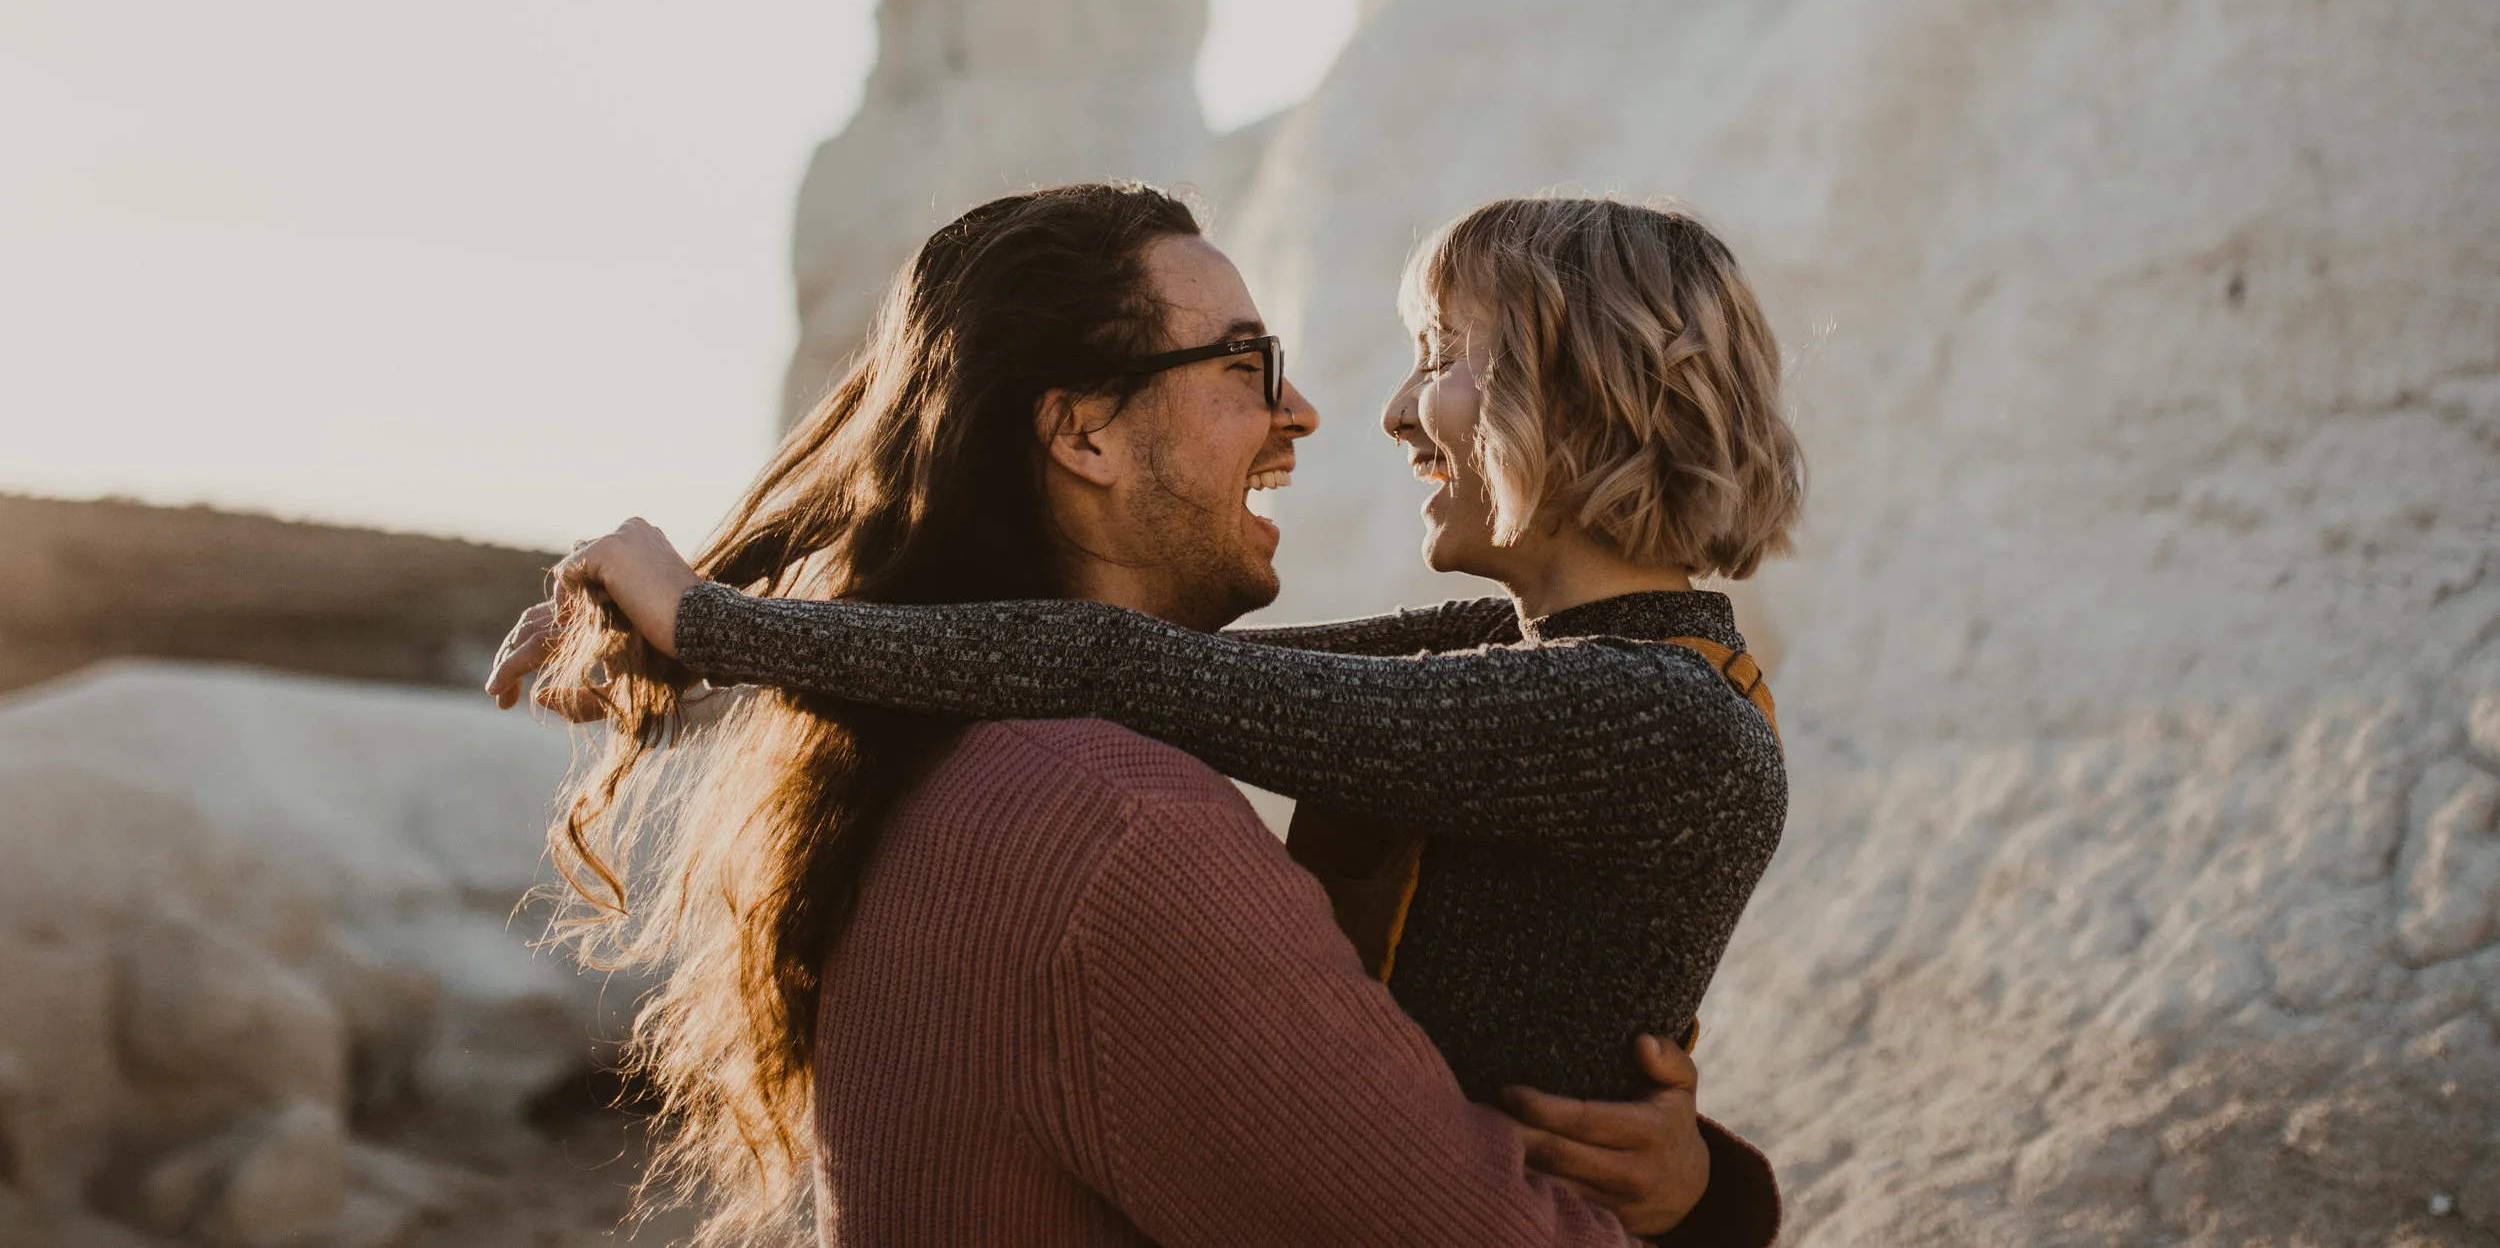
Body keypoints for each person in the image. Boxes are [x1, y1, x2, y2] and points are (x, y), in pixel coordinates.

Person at [504, 185, 1793, 1246]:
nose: (1362, 411)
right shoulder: (1112, 825)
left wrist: (708, 626)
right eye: (1246, 365)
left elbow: (1115, 667)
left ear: (1582, 398)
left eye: (1443, 362)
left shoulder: (1623, 711)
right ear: (1083, 436)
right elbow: (1108, 667)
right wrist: (700, 627)